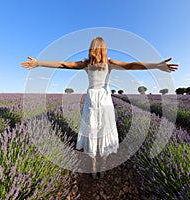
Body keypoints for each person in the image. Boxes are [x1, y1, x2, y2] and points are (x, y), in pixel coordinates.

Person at [21, 37, 178, 179]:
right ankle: (103, 163)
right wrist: (156, 65)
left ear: (91, 49)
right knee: (105, 128)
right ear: (104, 49)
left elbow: (63, 64)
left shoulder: (86, 64)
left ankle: (94, 163)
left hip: (92, 99)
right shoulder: (109, 63)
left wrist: (39, 63)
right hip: (105, 100)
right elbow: (131, 65)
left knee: (91, 129)